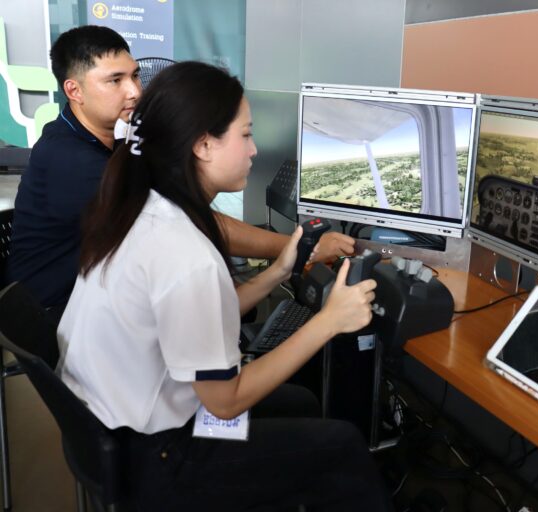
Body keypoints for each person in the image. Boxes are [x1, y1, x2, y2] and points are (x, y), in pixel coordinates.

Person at [57, 61, 391, 511]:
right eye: (246, 134)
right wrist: (330, 321)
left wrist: (277, 272)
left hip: (107, 430)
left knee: (298, 402)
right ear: (202, 145)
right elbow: (225, 402)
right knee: (344, 446)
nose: (254, 150)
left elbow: (199, 317)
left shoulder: (141, 208)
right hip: (157, 458)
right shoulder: (185, 253)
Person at [6, 25, 353, 313]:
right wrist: (299, 247)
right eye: (115, 80)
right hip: (55, 309)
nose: (135, 91)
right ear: (74, 90)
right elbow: (183, 220)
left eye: (135, 75)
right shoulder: (71, 159)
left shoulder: (112, 143)